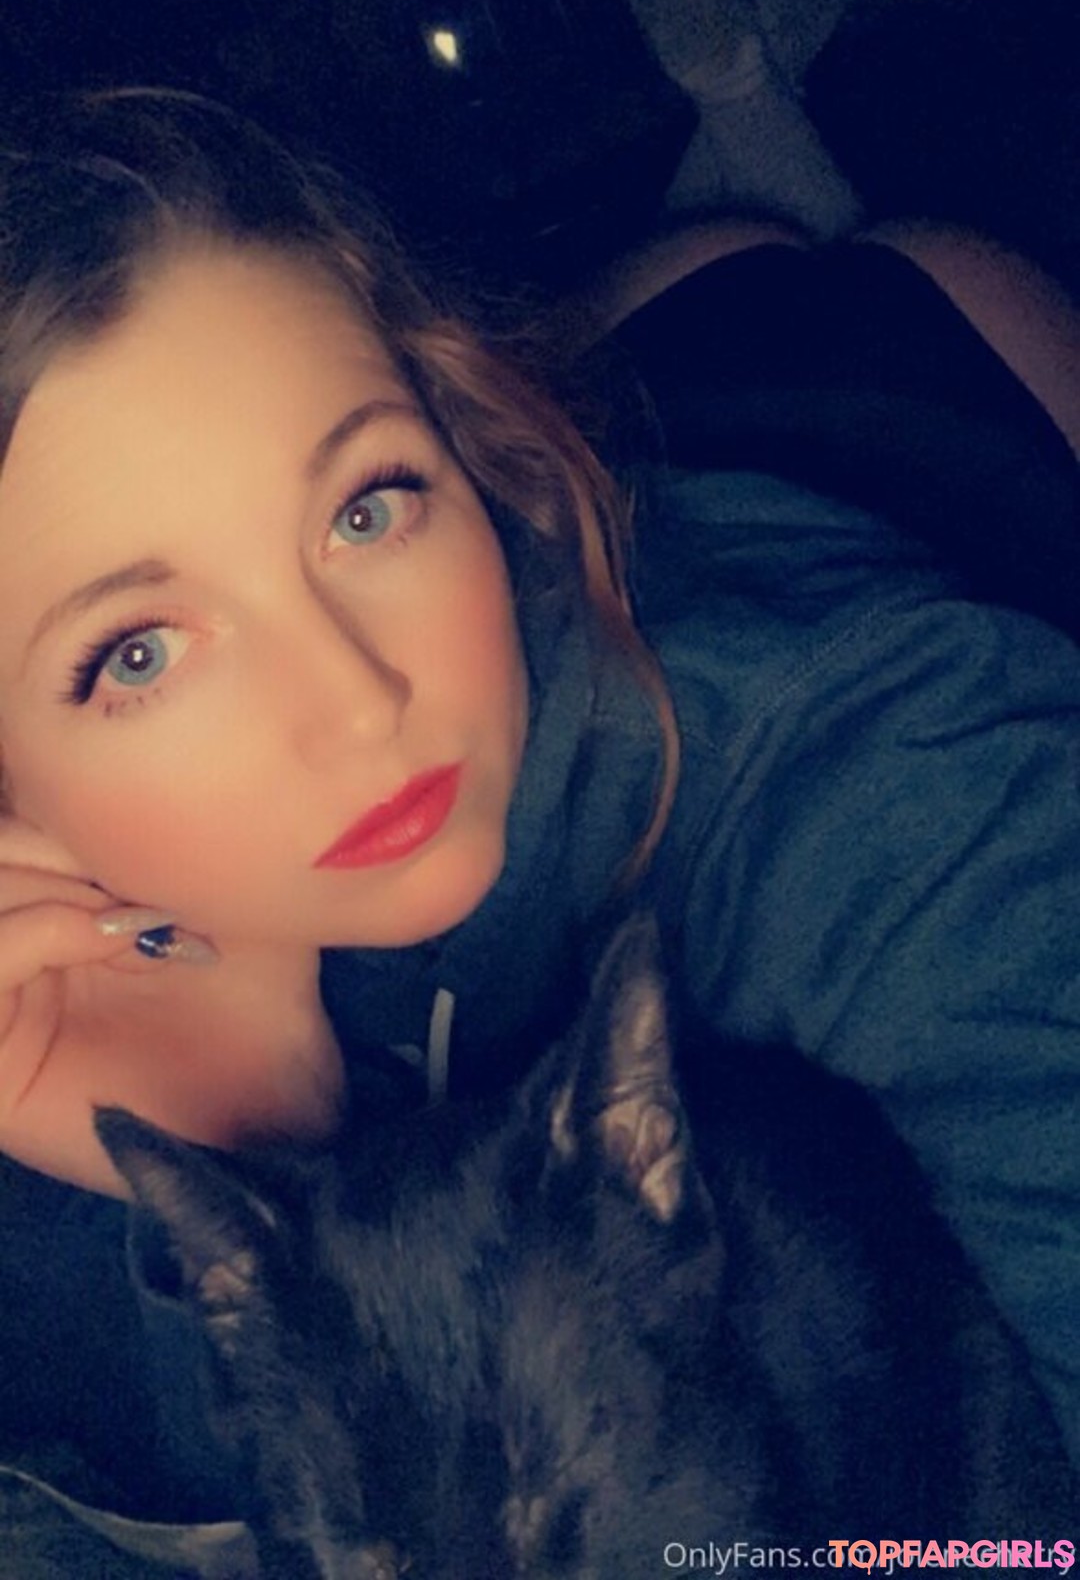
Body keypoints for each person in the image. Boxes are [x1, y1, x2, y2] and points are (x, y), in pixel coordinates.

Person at [0, 88, 1077, 1572]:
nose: (360, 702)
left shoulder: (907, 787)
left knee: (855, 256)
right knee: (688, 259)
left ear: (467, 437)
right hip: (634, 390)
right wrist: (249, 1124)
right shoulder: (57, 990)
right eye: (138, 650)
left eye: (368, 506)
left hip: (910, 395)